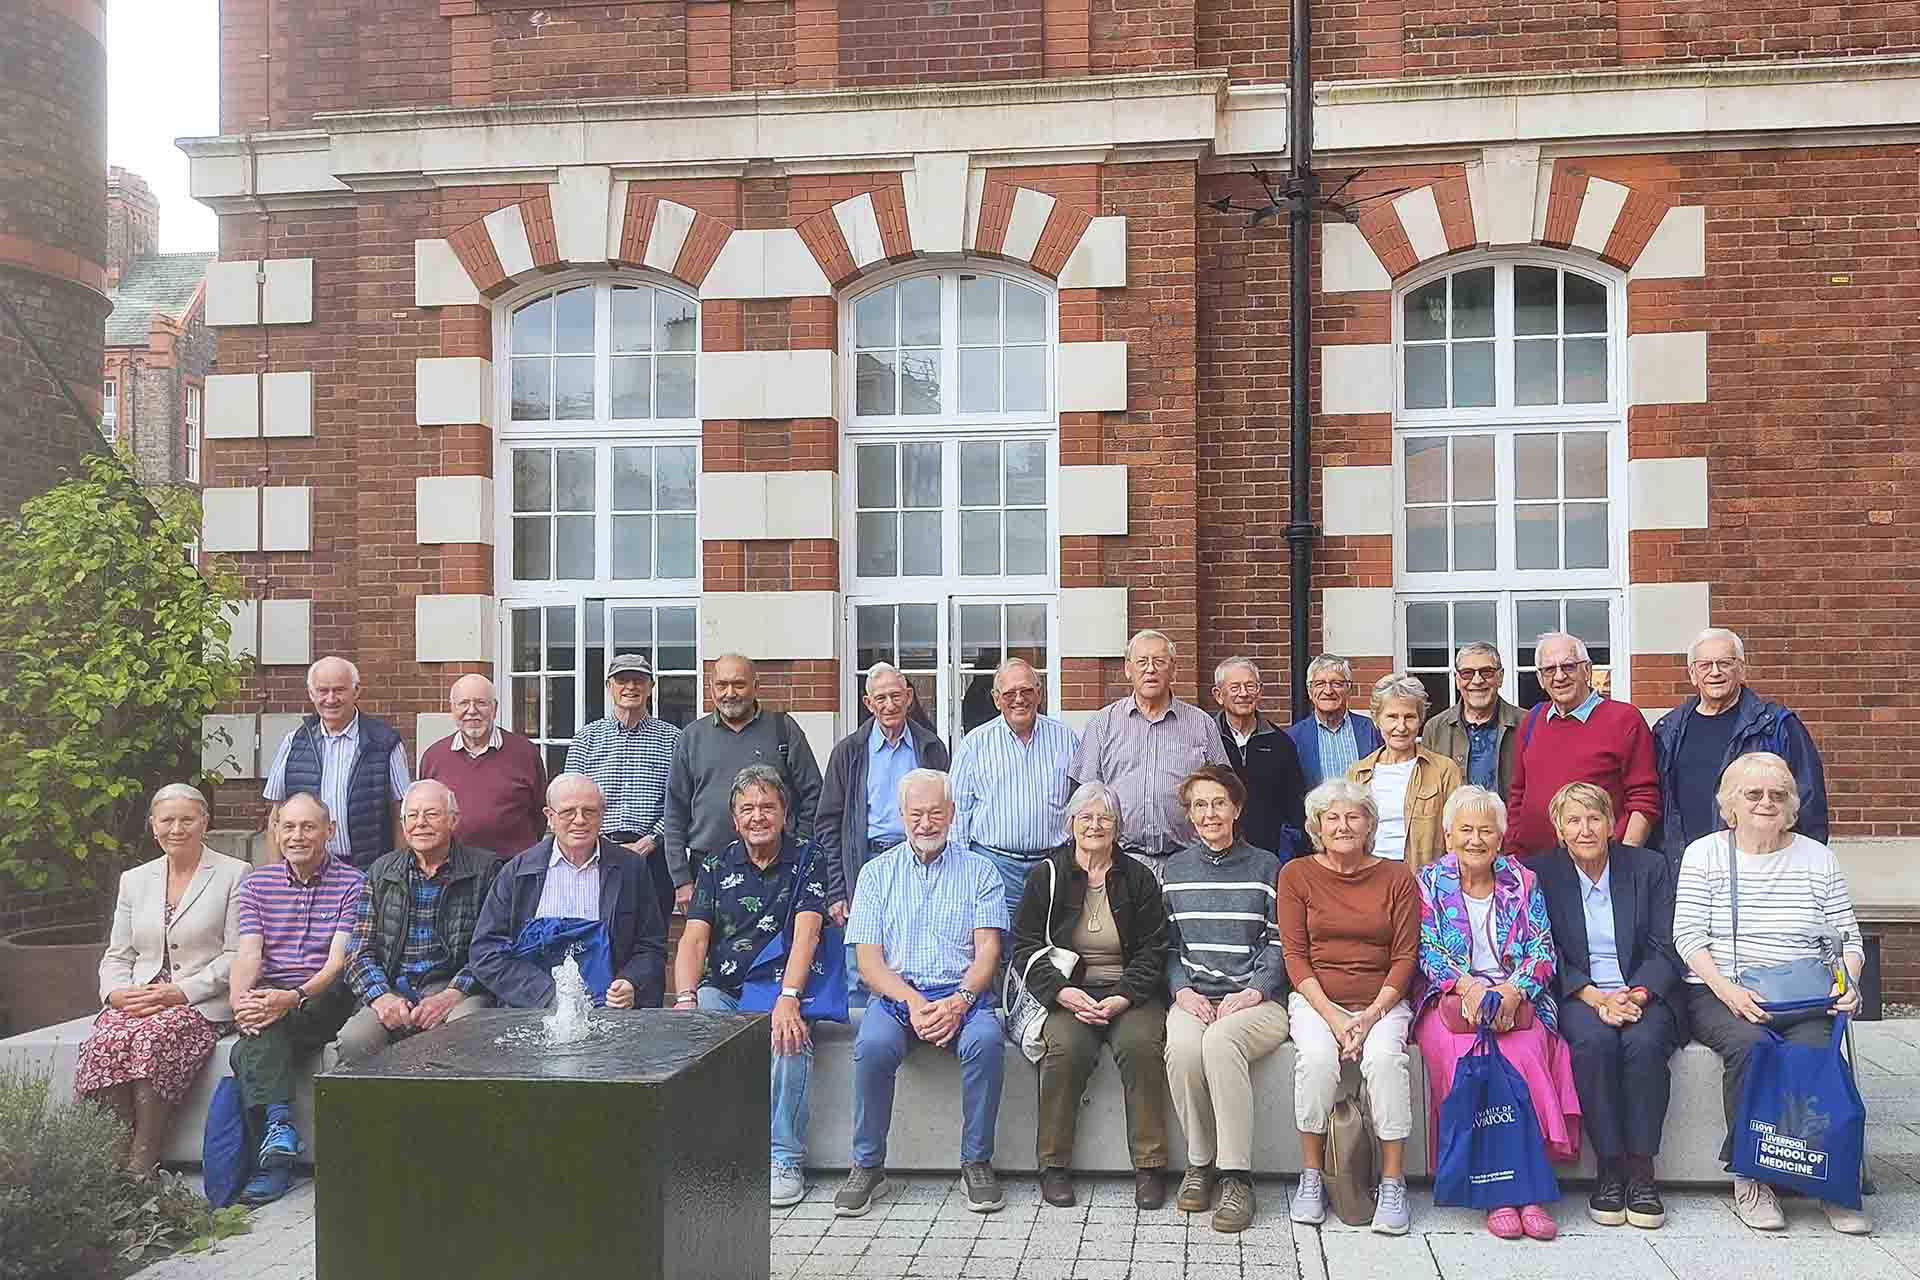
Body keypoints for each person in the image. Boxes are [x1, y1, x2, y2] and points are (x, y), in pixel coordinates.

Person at [1674, 751, 1869, 1235]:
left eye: (1778, 794)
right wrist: (1729, 992)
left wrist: (1847, 985)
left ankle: (1827, 1179)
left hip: (1802, 992)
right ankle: (1752, 1176)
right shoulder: (1705, 854)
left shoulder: (1817, 857)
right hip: (1719, 989)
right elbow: (1689, 938)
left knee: (1815, 1053)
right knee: (1752, 1047)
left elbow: (1847, 936)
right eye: (1753, 793)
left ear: (1792, 806)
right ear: (1730, 806)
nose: (1766, 802)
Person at [836, 769, 1009, 1218]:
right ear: (902, 816)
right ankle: (868, 1164)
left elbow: (988, 950)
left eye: (935, 812)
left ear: (952, 814)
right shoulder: (876, 874)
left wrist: (959, 1002)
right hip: (898, 997)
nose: (926, 823)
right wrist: (913, 1002)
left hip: (964, 997)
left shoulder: (980, 871)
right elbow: (869, 963)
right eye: (917, 814)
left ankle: (977, 1160)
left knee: (986, 1043)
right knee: (872, 1046)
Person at [1412, 785, 1579, 1242]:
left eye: (1486, 830)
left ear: (1501, 837)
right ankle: (1495, 1192)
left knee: (1522, 1059)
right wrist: (1467, 987)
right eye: (1465, 829)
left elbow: (1543, 949)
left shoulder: (1522, 881)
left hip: (1516, 1000)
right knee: (1469, 1062)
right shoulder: (1428, 881)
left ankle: (1529, 1191)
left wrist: (1510, 991)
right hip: (1450, 1004)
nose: (1475, 839)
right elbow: (1426, 950)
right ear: (1448, 836)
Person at [672, 765, 827, 1209]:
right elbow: (695, 938)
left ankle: (783, 1156)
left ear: (784, 812)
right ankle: (718, 1153)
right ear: (735, 819)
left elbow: (807, 934)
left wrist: (790, 999)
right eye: (748, 809)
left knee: (788, 1038)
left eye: (768, 807)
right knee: (702, 1014)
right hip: (728, 990)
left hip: (783, 988)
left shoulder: (807, 857)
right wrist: (684, 998)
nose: (758, 816)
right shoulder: (716, 865)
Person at [1011, 782, 1171, 1211]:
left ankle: (1150, 1166)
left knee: (1141, 1047)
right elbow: (1025, 944)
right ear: (1071, 824)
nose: (1096, 825)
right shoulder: (1048, 874)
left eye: (1105, 818)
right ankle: (1053, 1164)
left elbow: (1155, 948)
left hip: (1129, 994)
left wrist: (1122, 996)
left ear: (1117, 827)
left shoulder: (1136, 877)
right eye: (1086, 817)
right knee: (1063, 1049)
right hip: (1070, 993)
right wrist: (1062, 993)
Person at [1535, 781, 1686, 1232]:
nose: (1585, 829)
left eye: (1594, 818)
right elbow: (1545, 949)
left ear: (1612, 823)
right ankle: (1609, 1168)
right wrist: (1595, 997)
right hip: (1580, 993)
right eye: (1573, 821)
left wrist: (1635, 995)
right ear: (1559, 830)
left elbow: (1666, 945)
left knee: (1644, 1043)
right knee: (1594, 1043)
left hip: (1642, 990)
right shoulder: (1540, 872)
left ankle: (1641, 1171)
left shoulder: (1648, 867)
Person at [77, 784, 249, 1175]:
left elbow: (236, 955)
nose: (177, 828)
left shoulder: (235, 874)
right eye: (167, 820)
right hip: (138, 998)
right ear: (153, 825)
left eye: (187, 819)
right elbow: (118, 954)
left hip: (199, 1000)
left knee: (152, 1039)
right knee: (106, 1041)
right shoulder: (134, 880)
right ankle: (115, 1150)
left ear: (205, 823)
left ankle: (142, 1157)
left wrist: (181, 992)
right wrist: (116, 994)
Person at [1278, 779, 1419, 1236]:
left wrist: (1371, 1014)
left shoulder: (1397, 876)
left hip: (1382, 1000)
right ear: (1317, 826)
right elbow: (1295, 957)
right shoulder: (1296, 875)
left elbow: (1405, 957)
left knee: (1384, 1059)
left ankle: (1393, 1182)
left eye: (1353, 816)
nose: (1343, 825)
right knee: (1317, 1060)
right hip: (1319, 1000)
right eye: (1332, 817)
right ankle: (1313, 1176)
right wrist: (1336, 1018)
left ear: (1370, 825)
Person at [1161, 766, 1288, 1233]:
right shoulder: (1175, 870)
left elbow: (1279, 943)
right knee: (1184, 1045)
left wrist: (1255, 989)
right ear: (1190, 816)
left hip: (1259, 1003)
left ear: (1236, 808)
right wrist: (1182, 991)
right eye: (1199, 805)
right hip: (1196, 996)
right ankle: (1200, 1162)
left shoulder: (1266, 866)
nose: (1209, 813)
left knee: (1219, 1043)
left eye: (1218, 803)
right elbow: (1168, 946)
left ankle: (1236, 1176)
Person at [227, 793, 365, 1205]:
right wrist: (240, 1002)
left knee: (246, 1051)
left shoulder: (353, 883)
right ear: (276, 831)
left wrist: (292, 996)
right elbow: (249, 953)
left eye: (308, 827)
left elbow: (337, 963)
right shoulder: (256, 885)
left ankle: (274, 1158)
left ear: (329, 832)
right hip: (274, 993)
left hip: (324, 994)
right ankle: (279, 1134)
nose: (297, 836)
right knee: (257, 1033)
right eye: (288, 827)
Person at [331, 781, 499, 1065]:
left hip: (456, 989)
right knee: (354, 1040)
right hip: (394, 989)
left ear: (453, 820)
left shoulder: (486, 870)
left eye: (432, 814)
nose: (420, 823)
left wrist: (451, 994)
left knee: (467, 1032)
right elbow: (358, 952)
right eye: (412, 815)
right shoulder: (381, 871)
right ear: (403, 823)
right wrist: (381, 997)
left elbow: (493, 949)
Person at [468, 773, 667, 1012]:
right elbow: (486, 952)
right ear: (549, 817)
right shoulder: (517, 873)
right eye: (568, 812)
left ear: (603, 815)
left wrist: (631, 982)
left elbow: (651, 947)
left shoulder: (631, 869)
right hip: (532, 1008)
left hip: (610, 1011)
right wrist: (548, 994)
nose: (579, 820)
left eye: (589, 811)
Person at [664, 653, 823, 918]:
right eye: (722, 685)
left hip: (776, 867)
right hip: (708, 867)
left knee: (776, 952)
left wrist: (800, 847)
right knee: (711, 952)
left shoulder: (783, 730)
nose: (730, 693)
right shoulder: (692, 737)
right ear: (711, 688)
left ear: (756, 686)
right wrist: (681, 878)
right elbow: (675, 811)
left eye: (739, 684)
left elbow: (813, 794)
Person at [1653, 627, 1830, 863]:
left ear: (1741, 670)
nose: (1715, 672)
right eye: (1705, 665)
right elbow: (1657, 810)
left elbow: (1810, 804)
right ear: (1692, 674)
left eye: (1724, 663)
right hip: (1687, 871)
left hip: (1761, 866)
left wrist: (1792, 868)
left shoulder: (1777, 726)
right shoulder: (1667, 731)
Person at [1070, 629, 1230, 883]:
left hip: (1188, 860)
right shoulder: (1102, 724)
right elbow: (1084, 796)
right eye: (1142, 662)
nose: (1150, 670)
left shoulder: (1201, 724)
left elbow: (1224, 791)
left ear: (1174, 669)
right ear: (1127, 669)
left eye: (1159, 662)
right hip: (1119, 862)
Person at [1503, 632, 1659, 859]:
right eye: (1550, 669)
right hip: (1535, 867)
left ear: (1587, 670)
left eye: (1568, 667)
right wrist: (1515, 854)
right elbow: (1518, 794)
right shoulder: (1532, 720)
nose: (1559, 676)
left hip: (1601, 867)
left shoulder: (1624, 719)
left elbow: (1644, 801)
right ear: (1540, 678)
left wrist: (1625, 860)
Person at [817, 663, 951, 926]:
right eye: (881, 698)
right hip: (867, 862)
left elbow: (946, 812)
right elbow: (828, 824)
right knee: (864, 952)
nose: (889, 705)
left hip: (921, 858)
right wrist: (836, 890)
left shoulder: (931, 747)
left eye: (896, 696)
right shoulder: (848, 752)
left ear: (909, 697)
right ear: (868, 703)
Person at [950, 657, 1080, 918]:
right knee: (996, 947)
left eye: (1027, 691)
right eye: (1010, 693)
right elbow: (958, 814)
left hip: (1052, 865)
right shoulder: (974, 745)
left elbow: (1078, 802)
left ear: (1039, 694)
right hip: (993, 866)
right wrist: (960, 874)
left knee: (1051, 946)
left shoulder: (1066, 738)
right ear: (997, 699)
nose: (1019, 699)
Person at [565, 653, 680, 927]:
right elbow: (568, 799)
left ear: (651, 687)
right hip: (595, 855)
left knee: (650, 939)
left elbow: (680, 802)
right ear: (609, 686)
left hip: (653, 857)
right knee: (593, 937)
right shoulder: (586, 739)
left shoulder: (673, 739)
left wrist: (650, 840)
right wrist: (598, 842)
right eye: (622, 680)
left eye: (639, 680)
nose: (631, 686)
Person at [262, 656, 410, 868]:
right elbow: (276, 816)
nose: (330, 699)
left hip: (368, 871)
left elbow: (401, 815)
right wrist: (275, 876)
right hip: (305, 871)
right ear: (311, 694)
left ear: (356, 691)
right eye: (322, 691)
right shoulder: (294, 742)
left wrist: (396, 872)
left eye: (339, 690)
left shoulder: (385, 742)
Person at [419, 674, 547, 859]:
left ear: (494, 709)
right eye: (464, 703)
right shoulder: (434, 757)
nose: (472, 711)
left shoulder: (525, 753)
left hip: (511, 869)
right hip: (454, 872)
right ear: (452, 709)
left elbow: (539, 814)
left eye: (481, 703)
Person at [1346, 673, 1462, 871]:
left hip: (1423, 880)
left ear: (1420, 720)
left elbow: (1457, 834)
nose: (1401, 727)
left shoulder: (1444, 770)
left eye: (1409, 717)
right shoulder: (1357, 773)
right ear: (1377, 720)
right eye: (1392, 717)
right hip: (1368, 878)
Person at [1211, 657, 1308, 859]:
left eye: (1250, 686)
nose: (1244, 693)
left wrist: (1286, 848)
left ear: (1260, 691)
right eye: (1235, 687)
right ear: (1219, 695)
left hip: (1267, 855)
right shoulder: (1206, 738)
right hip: (1215, 852)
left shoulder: (1281, 743)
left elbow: (1295, 806)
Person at [1421, 642, 1524, 798]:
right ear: (1457, 680)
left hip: (1509, 822)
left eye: (1486, 672)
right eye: (1467, 673)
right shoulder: (1435, 729)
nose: (1477, 680)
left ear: (1500, 677)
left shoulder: (1527, 723)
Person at [1287, 655, 1383, 789]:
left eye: (1337, 684)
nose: (1328, 691)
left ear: (1349, 689)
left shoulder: (1371, 730)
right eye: (1320, 684)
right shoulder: (1293, 737)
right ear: (1310, 691)